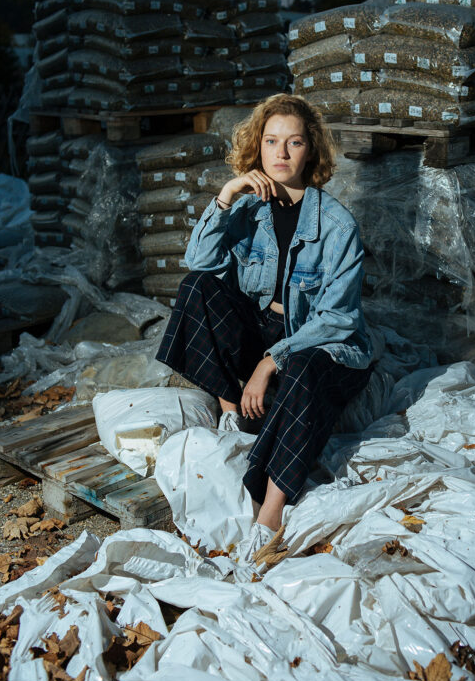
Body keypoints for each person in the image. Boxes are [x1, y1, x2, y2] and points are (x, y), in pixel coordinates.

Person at [156, 93, 373, 557]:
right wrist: (227, 194)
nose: (281, 153)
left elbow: (338, 318)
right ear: (258, 149)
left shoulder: (336, 226)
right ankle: (232, 411)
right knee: (198, 287)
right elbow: (198, 261)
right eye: (271, 142)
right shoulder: (246, 209)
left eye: (294, 143)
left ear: (310, 151)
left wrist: (269, 362)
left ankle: (270, 508)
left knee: (308, 365)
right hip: (263, 328)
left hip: (324, 343)